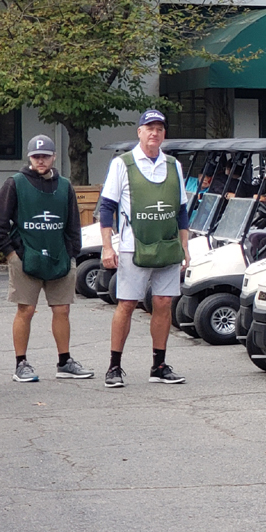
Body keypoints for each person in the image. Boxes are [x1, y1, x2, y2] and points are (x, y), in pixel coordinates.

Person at [96, 110, 190, 386]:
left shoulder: (173, 165)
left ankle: (159, 365)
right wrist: (107, 247)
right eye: (149, 128)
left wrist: (185, 246)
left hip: (167, 246)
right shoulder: (123, 164)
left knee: (163, 302)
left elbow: (182, 210)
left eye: (159, 128)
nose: (154, 133)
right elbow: (107, 207)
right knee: (126, 304)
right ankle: (114, 367)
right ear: (139, 132)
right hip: (131, 247)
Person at [0, 134, 91, 382]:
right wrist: (12, 254)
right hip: (26, 257)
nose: (41, 160)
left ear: (54, 157)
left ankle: (65, 361)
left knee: (62, 309)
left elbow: (73, 224)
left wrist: (71, 253)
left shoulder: (65, 186)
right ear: (29, 157)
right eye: (36, 156)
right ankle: (21, 364)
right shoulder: (15, 183)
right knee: (26, 310)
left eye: (45, 156)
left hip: (59, 256)